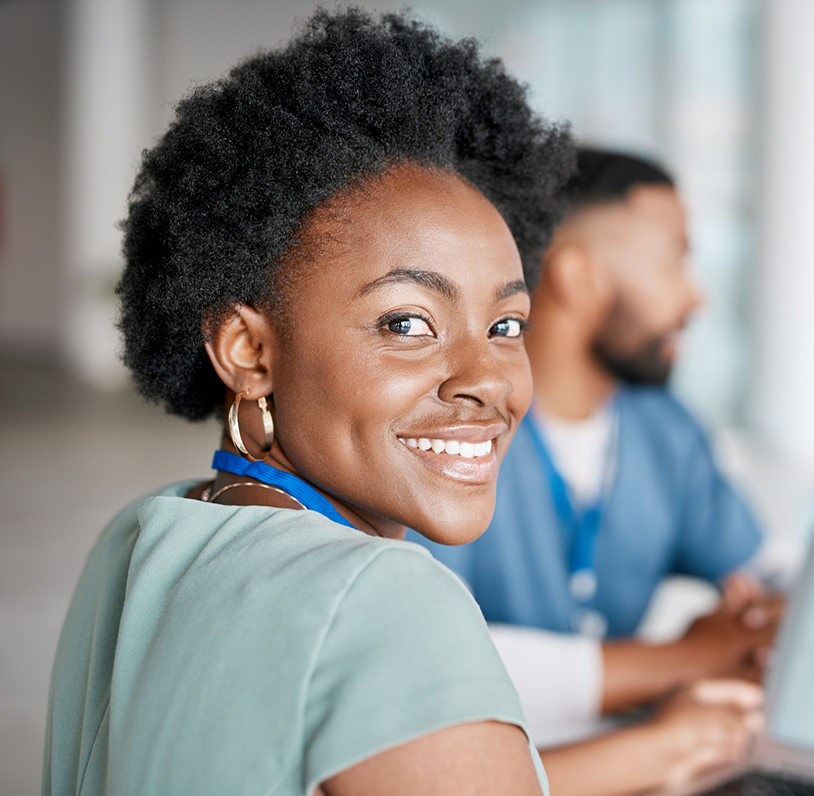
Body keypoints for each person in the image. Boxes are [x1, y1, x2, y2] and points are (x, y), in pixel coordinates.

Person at [44, 11, 627, 795]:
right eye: (406, 322)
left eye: (506, 324)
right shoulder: (386, 600)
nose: (488, 378)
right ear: (250, 351)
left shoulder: (146, 536)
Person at [412, 149, 776, 796]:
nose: (697, 295)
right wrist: (678, 661)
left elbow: (760, 568)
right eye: (676, 258)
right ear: (579, 278)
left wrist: (767, 621)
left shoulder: (667, 429)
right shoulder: (450, 431)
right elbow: (429, 663)